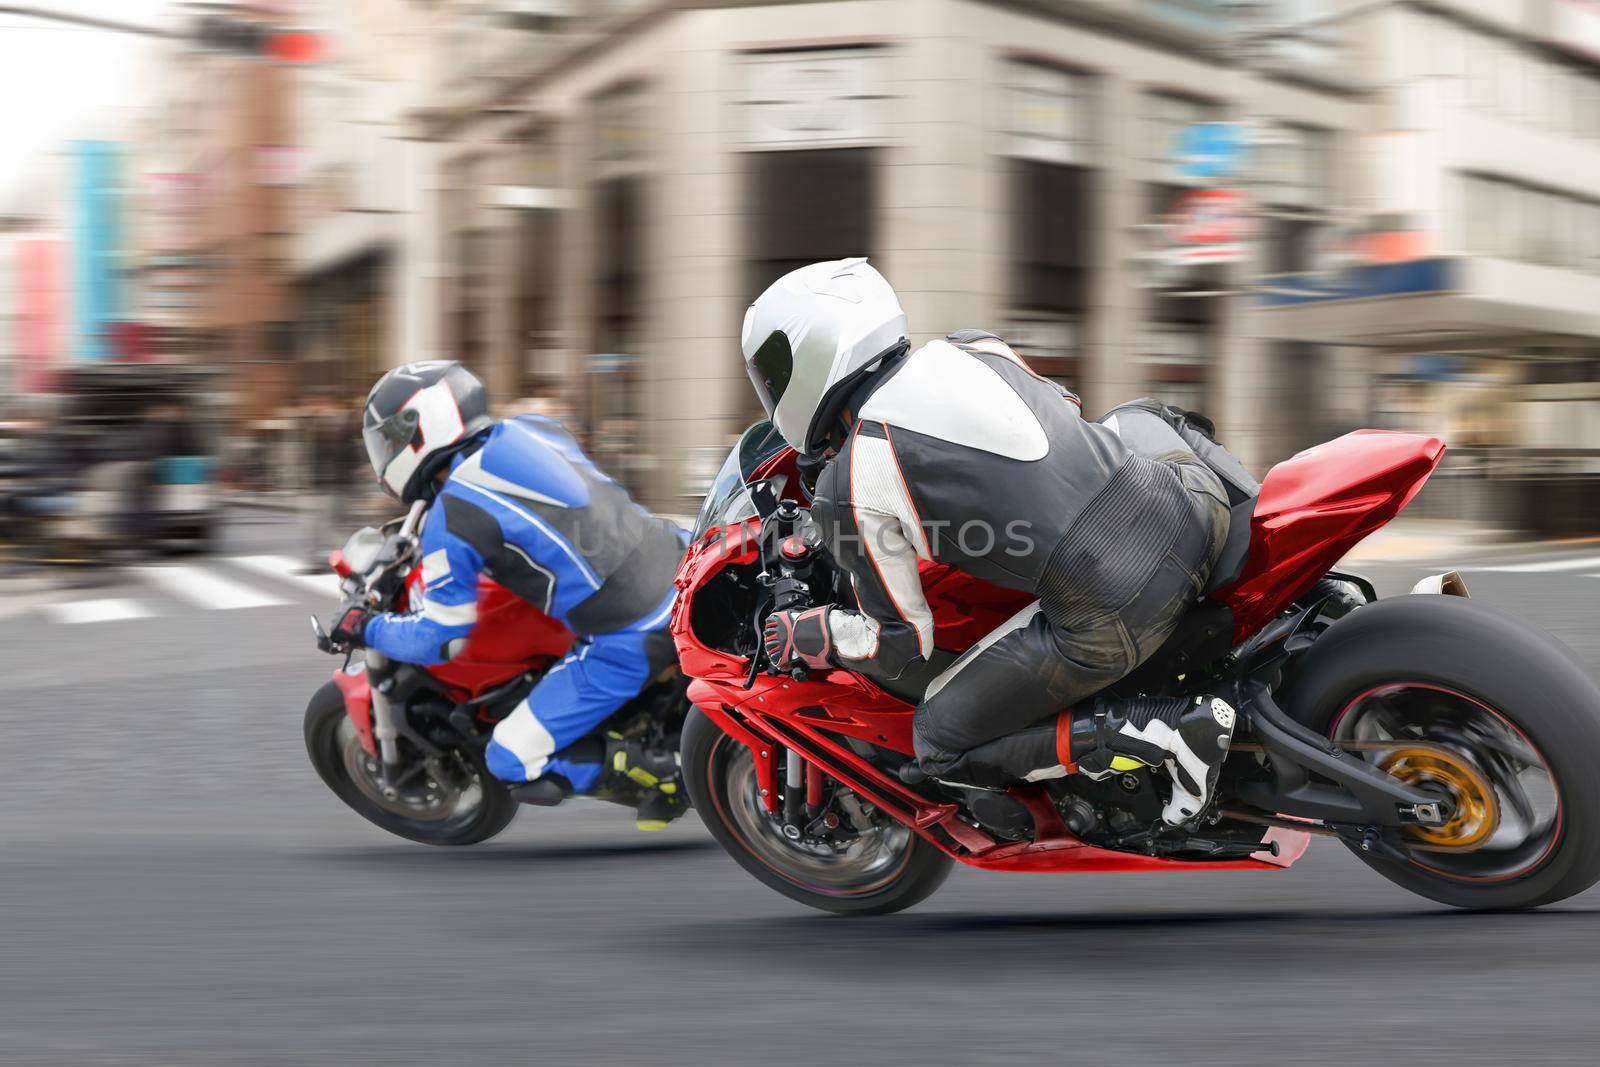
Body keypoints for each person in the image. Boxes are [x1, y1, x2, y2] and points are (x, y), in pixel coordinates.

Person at [743, 258, 1236, 827]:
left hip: (1118, 609)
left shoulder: (850, 480)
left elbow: (899, 642)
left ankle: (1168, 730)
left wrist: (812, 632)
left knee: (936, 742)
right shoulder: (977, 346)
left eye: (775, 372)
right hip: (1194, 504)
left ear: (812, 356)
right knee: (1135, 415)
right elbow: (1062, 425)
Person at [327, 361, 688, 829]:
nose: (386, 454)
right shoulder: (533, 428)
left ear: (419, 431)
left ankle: (660, 774)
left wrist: (367, 626)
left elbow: (443, 638)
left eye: (390, 442)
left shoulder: (453, 520)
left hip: (632, 631)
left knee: (509, 759)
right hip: (680, 561)